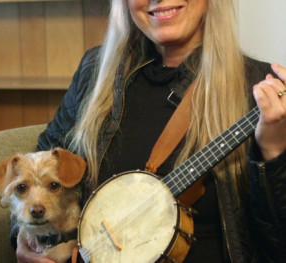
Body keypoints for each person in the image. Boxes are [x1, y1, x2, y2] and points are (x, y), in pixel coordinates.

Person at [16, 0, 286, 262]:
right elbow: (36, 164)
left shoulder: (259, 88)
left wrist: (273, 152)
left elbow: (277, 245)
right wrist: (25, 235)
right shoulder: (95, 72)